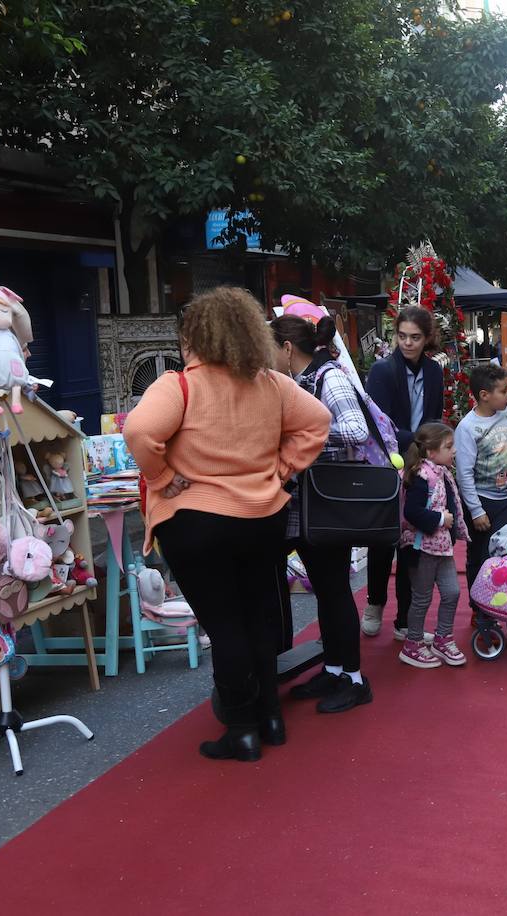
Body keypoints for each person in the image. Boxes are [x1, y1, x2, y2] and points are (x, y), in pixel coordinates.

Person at [124, 287, 330, 762]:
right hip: (261, 518)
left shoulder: (179, 385)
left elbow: (139, 431)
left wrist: (161, 475)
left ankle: (240, 729)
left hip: (195, 523)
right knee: (259, 616)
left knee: (225, 625)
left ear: (194, 336)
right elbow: (318, 420)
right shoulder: (271, 384)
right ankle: (270, 719)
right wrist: (284, 467)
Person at [271, 314, 379, 715]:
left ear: (286, 348)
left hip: (330, 506)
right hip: (308, 507)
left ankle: (353, 678)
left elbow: (356, 431)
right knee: (325, 589)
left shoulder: (328, 377)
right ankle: (333, 668)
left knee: (335, 590)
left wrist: (302, 433)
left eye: (271, 348)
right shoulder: (303, 380)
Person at [363, 306, 444, 641]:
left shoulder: (435, 372)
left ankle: (405, 621)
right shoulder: (383, 370)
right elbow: (378, 422)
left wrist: (429, 451)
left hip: (419, 462)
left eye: (415, 337)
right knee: (383, 538)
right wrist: (416, 442)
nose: (407, 343)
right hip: (387, 460)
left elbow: (435, 414)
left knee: (413, 541)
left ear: (427, 339)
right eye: (402, 336)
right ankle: (375, 603)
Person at [454, 363, 507, 622]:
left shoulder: (505, 415)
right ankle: (479, 607)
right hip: (482, 501)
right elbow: (464, 474)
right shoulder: (468, 428)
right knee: (481, 556)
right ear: (484, 395)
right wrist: (476, 510)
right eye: (503, 391)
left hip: (505, 498)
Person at [399, 422, 469, 669]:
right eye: (449, 447)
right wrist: (441, 519)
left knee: (452, 592)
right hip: (422, 548)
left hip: (442, 547)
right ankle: (413, 644)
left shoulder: (443, 474)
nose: (454, 451)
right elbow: (411, 511)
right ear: (430, 452)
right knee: (422, 598)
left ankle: (443, 637)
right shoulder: (421, 477)